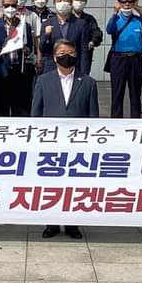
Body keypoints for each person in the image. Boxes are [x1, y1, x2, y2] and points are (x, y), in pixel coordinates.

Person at [32, 39, 99, 240]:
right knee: (51, 184)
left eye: (70, 52)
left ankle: (72, 224)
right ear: (55, 57)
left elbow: (93, 116)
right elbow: (36, 113)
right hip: (51, 143)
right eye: (62, 53)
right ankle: (51, 223)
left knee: (74, 185)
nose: (66, 56)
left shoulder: (88, 82)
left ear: (76, 55)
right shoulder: (43, 81)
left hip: (77, 144)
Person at [0, 0, 36, 117]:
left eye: (13, 5)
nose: (10, 8)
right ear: (2, 6)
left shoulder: (24, 25)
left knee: (20, 107)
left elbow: (30, 46)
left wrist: (26, 49)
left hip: (19, 71)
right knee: (1, 107)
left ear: (17, 6)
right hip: (1, 70)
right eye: (7, 5)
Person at [106, 0, 142, 118]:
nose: (127, 4)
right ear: (120, 3)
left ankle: (135, 121)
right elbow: (109, 30)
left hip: (136, 59)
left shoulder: (139, 20)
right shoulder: (116, 19)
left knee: (135, 94)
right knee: (117, 93)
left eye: (130, 1)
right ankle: (116, 121)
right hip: (118, 58)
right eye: (124, 1)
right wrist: (114, 13)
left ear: (134, 3)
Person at [39, 0, 87, 75]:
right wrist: (47, 35)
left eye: (65, 0)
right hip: (51, 68)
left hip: (73, 68)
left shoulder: (80, 24)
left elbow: (83, 50)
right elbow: (42, 48)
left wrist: (84, 72)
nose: (62, 3)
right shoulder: (47, 23)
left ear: (71, 2)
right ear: (54, 3)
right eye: (59, 1)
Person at [70, 0, 102, 75]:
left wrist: (93, 41)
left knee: (83, 77)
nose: (79, 2)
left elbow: (97, 33)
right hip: (69, 54)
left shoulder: (89, 19)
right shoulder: (67, 17)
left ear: (86, 1)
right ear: (71, 0)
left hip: (84, 55)